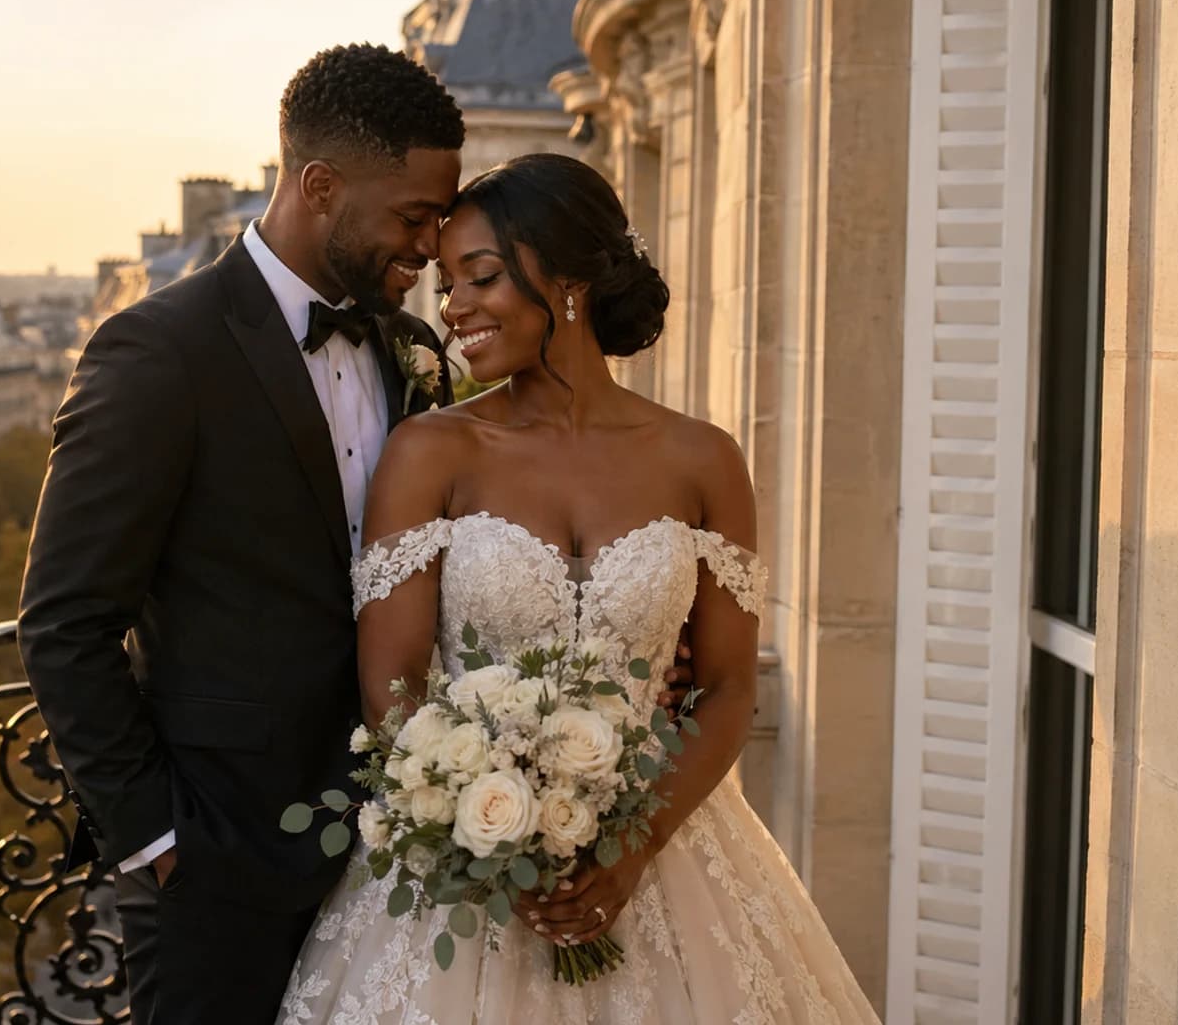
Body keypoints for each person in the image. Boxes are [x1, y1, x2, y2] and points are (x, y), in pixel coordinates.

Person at [277, 153, 880, 1024]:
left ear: (568, 281)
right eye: (447, 284)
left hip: (666, 849)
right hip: (469, 874)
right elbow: (394, 688)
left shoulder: (704, 460)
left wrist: (633, 849)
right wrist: (495, 839)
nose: (453, 309)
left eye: (481, 276)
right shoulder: (431, 452)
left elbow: (726, 686)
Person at [17, 43, 463, 1024]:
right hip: (216, 871)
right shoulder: (157, 350)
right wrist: (158, 842)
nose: (433, 245)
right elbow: (62, 623)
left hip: (395, 857)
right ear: (320, 186)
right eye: (414, 216)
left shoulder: (412, 348)